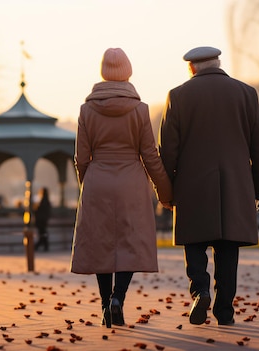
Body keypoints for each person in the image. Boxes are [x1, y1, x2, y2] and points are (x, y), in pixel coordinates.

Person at [159, 46, 259, 326]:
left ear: (191, 67)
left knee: (194, 245)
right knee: (228, 250)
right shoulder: (246, 93)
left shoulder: (178, 95)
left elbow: (168, 151)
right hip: (236, 185)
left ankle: (200, 290)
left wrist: (167, 190)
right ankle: (225, 311)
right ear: (218, 63)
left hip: (193, 186)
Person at [70, 48, 173, 328]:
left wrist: (86, 184)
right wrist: (165, 192)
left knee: (102, 245)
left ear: (103, 71)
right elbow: (150, 154)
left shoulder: (86, 110)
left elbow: (81, 157)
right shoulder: (140, 110)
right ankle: (118, 298)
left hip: (98, 181)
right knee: (129, 243)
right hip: (131, 182)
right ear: (128, 71)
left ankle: (105, 304)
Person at [33, 187, 52, 252]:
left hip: (40, 222)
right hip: (44, 221)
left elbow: (37, 211)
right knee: (43, 234)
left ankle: (38, 246)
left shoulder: (42, 202)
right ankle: (44, 245)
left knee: (42, 234)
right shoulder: (47, 202)